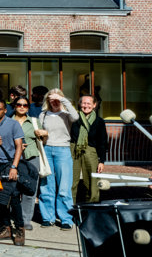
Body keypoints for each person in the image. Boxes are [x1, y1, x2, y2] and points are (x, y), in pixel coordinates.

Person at [36, 88, 79, 230]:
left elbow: (76, 117)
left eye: (56, 99)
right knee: (46, 185)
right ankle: (48, 217)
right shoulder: (44, 114)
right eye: (51, 99)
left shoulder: (67, 114)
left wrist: (62, 100)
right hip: (47, 149)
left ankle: (66, 218)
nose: (54, 102)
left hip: (63, 150)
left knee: (64, 186)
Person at [0, 100, 25, 246]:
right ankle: (6, 228)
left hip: (9, 164)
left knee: (14, 198)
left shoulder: (13, 124)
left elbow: (19, 147)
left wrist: (14, 167)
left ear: (4, 110)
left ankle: (20, 229)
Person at [11, 96, 42, 230]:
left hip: (31, 157)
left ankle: (26, 219)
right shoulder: (8, 121)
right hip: (13, 158)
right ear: (14, 106)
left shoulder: (34, 122)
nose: (22, 107)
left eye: (25, 105)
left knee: (30, 190)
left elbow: (42, 141)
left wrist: (44, 134)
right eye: (19, 105)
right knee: (13, 189)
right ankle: (14, 217)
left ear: (28, 107)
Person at [71, 95, 107, 204]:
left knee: (92, 180)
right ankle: (69, 207)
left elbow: (102, 142)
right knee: (71, 180)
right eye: (83, 103)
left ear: (94, 105)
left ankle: (92, 205)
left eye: (89, 103)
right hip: (74, 149)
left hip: (91, 151)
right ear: (79, 104)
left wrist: (101, 161)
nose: (86, 106)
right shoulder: (74, 118)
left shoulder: (99, 121)